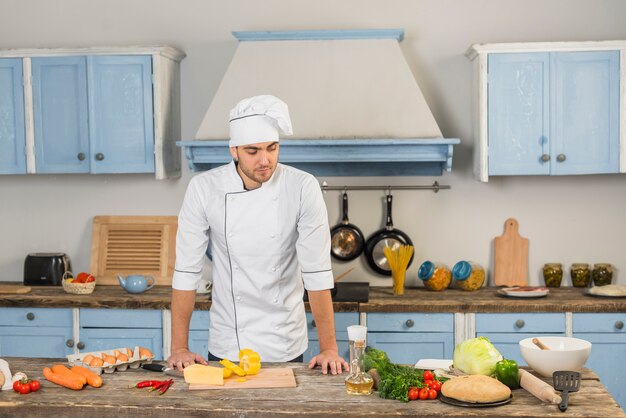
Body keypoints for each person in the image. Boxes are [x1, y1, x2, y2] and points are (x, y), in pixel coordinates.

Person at [167, 94, 348, 375]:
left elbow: (317, 272)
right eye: (253, 151)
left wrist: (329, 349)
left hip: (284, 340)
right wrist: (179, 348)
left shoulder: (302, 187)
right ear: (234, 150)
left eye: (272, 148)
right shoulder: (203, 189)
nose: (265, 160)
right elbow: (186, 272)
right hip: (228, 341)